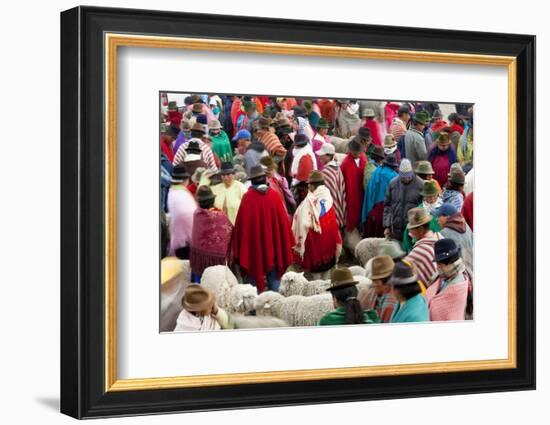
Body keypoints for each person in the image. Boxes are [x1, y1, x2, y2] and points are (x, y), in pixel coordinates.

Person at [232, 165, 295, 293]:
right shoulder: (274, 196)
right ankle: (276, 305)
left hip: (255, 248)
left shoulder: (248, 198)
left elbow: (241, 227)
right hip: (273, 247)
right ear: (265, 179)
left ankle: (254, 306)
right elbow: (283, 224)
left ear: (252, 180)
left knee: (253, 279)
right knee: (274, 278)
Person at [292, 171, 343, 279]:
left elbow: (304, 222)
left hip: (316, 245)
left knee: (316, 280)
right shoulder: (327, 196)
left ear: (312, 185)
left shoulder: (310, 201)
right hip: (329, 243)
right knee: (327, 277)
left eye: (309, 184)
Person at [189, 186, 233, 282]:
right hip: (216, 263)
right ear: (212, 200)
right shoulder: (220, 216)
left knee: (201, 286)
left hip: (199, 261)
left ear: (198, 202)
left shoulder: (196, 214)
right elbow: (229, 232)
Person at [425, 239, 471, 321]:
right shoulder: (445, 275)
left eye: (439, 264)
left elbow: (441, 312)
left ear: (450, 263)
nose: (437, 267)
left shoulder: (458, 286)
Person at [383, 158, 424, 241]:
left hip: (412, 231)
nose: (406, 179)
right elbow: (387, 206)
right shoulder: (393, 184)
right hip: (395, 230)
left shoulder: (421, 185)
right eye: (404, 177)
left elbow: (424, 208)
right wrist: (387, 226)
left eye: (408, 176)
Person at [404, 207, 443, 289]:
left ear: (421, 229)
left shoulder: (420, 251)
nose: (410, 233)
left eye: (412, 230)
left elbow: (402, 269)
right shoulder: (439, 238)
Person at [362, 153, 398, 237]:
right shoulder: (394, 176)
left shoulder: (376, 171)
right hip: (385, 210)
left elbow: (370, 191)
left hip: (372, 209)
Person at [401, 180, 443, 252]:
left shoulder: (443, 208)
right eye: (429, 197)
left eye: (434, 196)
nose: (432, 199)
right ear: (424, 197)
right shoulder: (419, 211)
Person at [433, 203, 473, 278]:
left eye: (439, 216)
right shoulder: (466, 226)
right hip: (472, 270)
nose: (437, 219)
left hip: (461, 275)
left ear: (447, 217)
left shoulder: (444, 233)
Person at [166, 165, 197, 259]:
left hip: (178, 240)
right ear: (184, 180)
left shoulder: (172, 192)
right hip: (188, 242)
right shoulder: (182, 195)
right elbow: (190, 218)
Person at [358, 255, 397, 323]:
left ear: (386, 284)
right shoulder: (378, 295)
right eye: (373, 281)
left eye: (375, 281)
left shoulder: (390, 303)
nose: (373, 284)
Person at [340, 139, 367, 233]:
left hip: (362, 192)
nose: (358, 155)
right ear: (351, 151)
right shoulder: (345, 164)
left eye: (360, 153)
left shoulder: (363, 158)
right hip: (352, 194)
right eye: (356, 154)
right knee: (353, 212)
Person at [317, 143, 347, 229]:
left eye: (321, 155)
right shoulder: (337, 168)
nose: (319, 157)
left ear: (328, 156)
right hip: (340, 207)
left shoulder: (325, 172)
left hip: (332, 210)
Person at [290, 133, 317, 203]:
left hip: (305, 188)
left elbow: (304, 175)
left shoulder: (305, 156)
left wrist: (294, 183)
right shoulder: (301, 154)